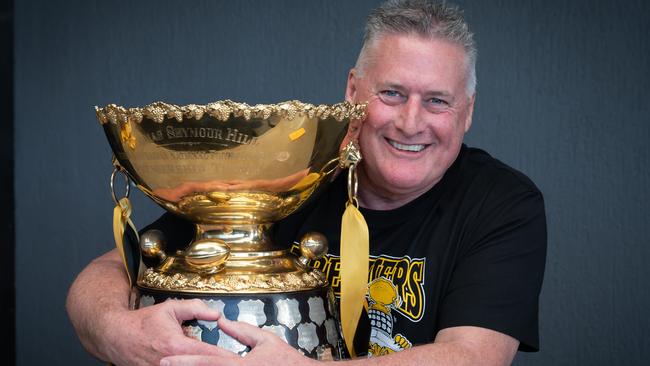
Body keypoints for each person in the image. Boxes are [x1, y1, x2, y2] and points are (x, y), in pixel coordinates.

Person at [66, 1, 547, 365]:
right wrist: (116, 331)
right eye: (392, 93)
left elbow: (471, 356)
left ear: (467, 113)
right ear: (352, 91)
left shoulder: (502, 203)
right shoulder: (290, 174)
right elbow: (104, 273)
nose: (410, 121)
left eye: (437, 101)